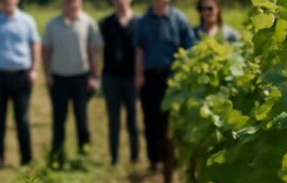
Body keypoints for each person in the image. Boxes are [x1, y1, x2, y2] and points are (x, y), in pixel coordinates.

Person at [134, 0, 194, 174]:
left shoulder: (179, 19)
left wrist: (185, 76)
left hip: (173, 77)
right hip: (150, 77)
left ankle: (170, 159)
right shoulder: (143, 22)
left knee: (170, 122)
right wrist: (138, 75)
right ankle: (154, 159)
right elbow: (139, 50)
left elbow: (189, 48)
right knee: (150, 119)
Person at [42, 0, 103, 167]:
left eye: (74, 2)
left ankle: (83, 156)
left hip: (81, 78)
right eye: (68, 2)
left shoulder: (88, 23)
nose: (71, 5)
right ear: (63, 4)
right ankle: (57, 156)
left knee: (82, 120)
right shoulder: (52, 25)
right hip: (59, 78)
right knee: (59, 120)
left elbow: (93, 52)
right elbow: (46, 50)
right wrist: (47, 74)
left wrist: (94, 76)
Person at [0, 0, 41, 168]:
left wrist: (34, 69)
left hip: (21, 75)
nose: (7, 2)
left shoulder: (27, 21)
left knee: (22, 118)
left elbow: (34, 45)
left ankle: (26, 159)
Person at [100, 0, 140, 165]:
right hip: (111, 78)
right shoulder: (105, 23)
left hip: (131, 77)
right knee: (113, 119)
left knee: (133, 118)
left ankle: (135, 156)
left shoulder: (139, 23)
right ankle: (114, 157)